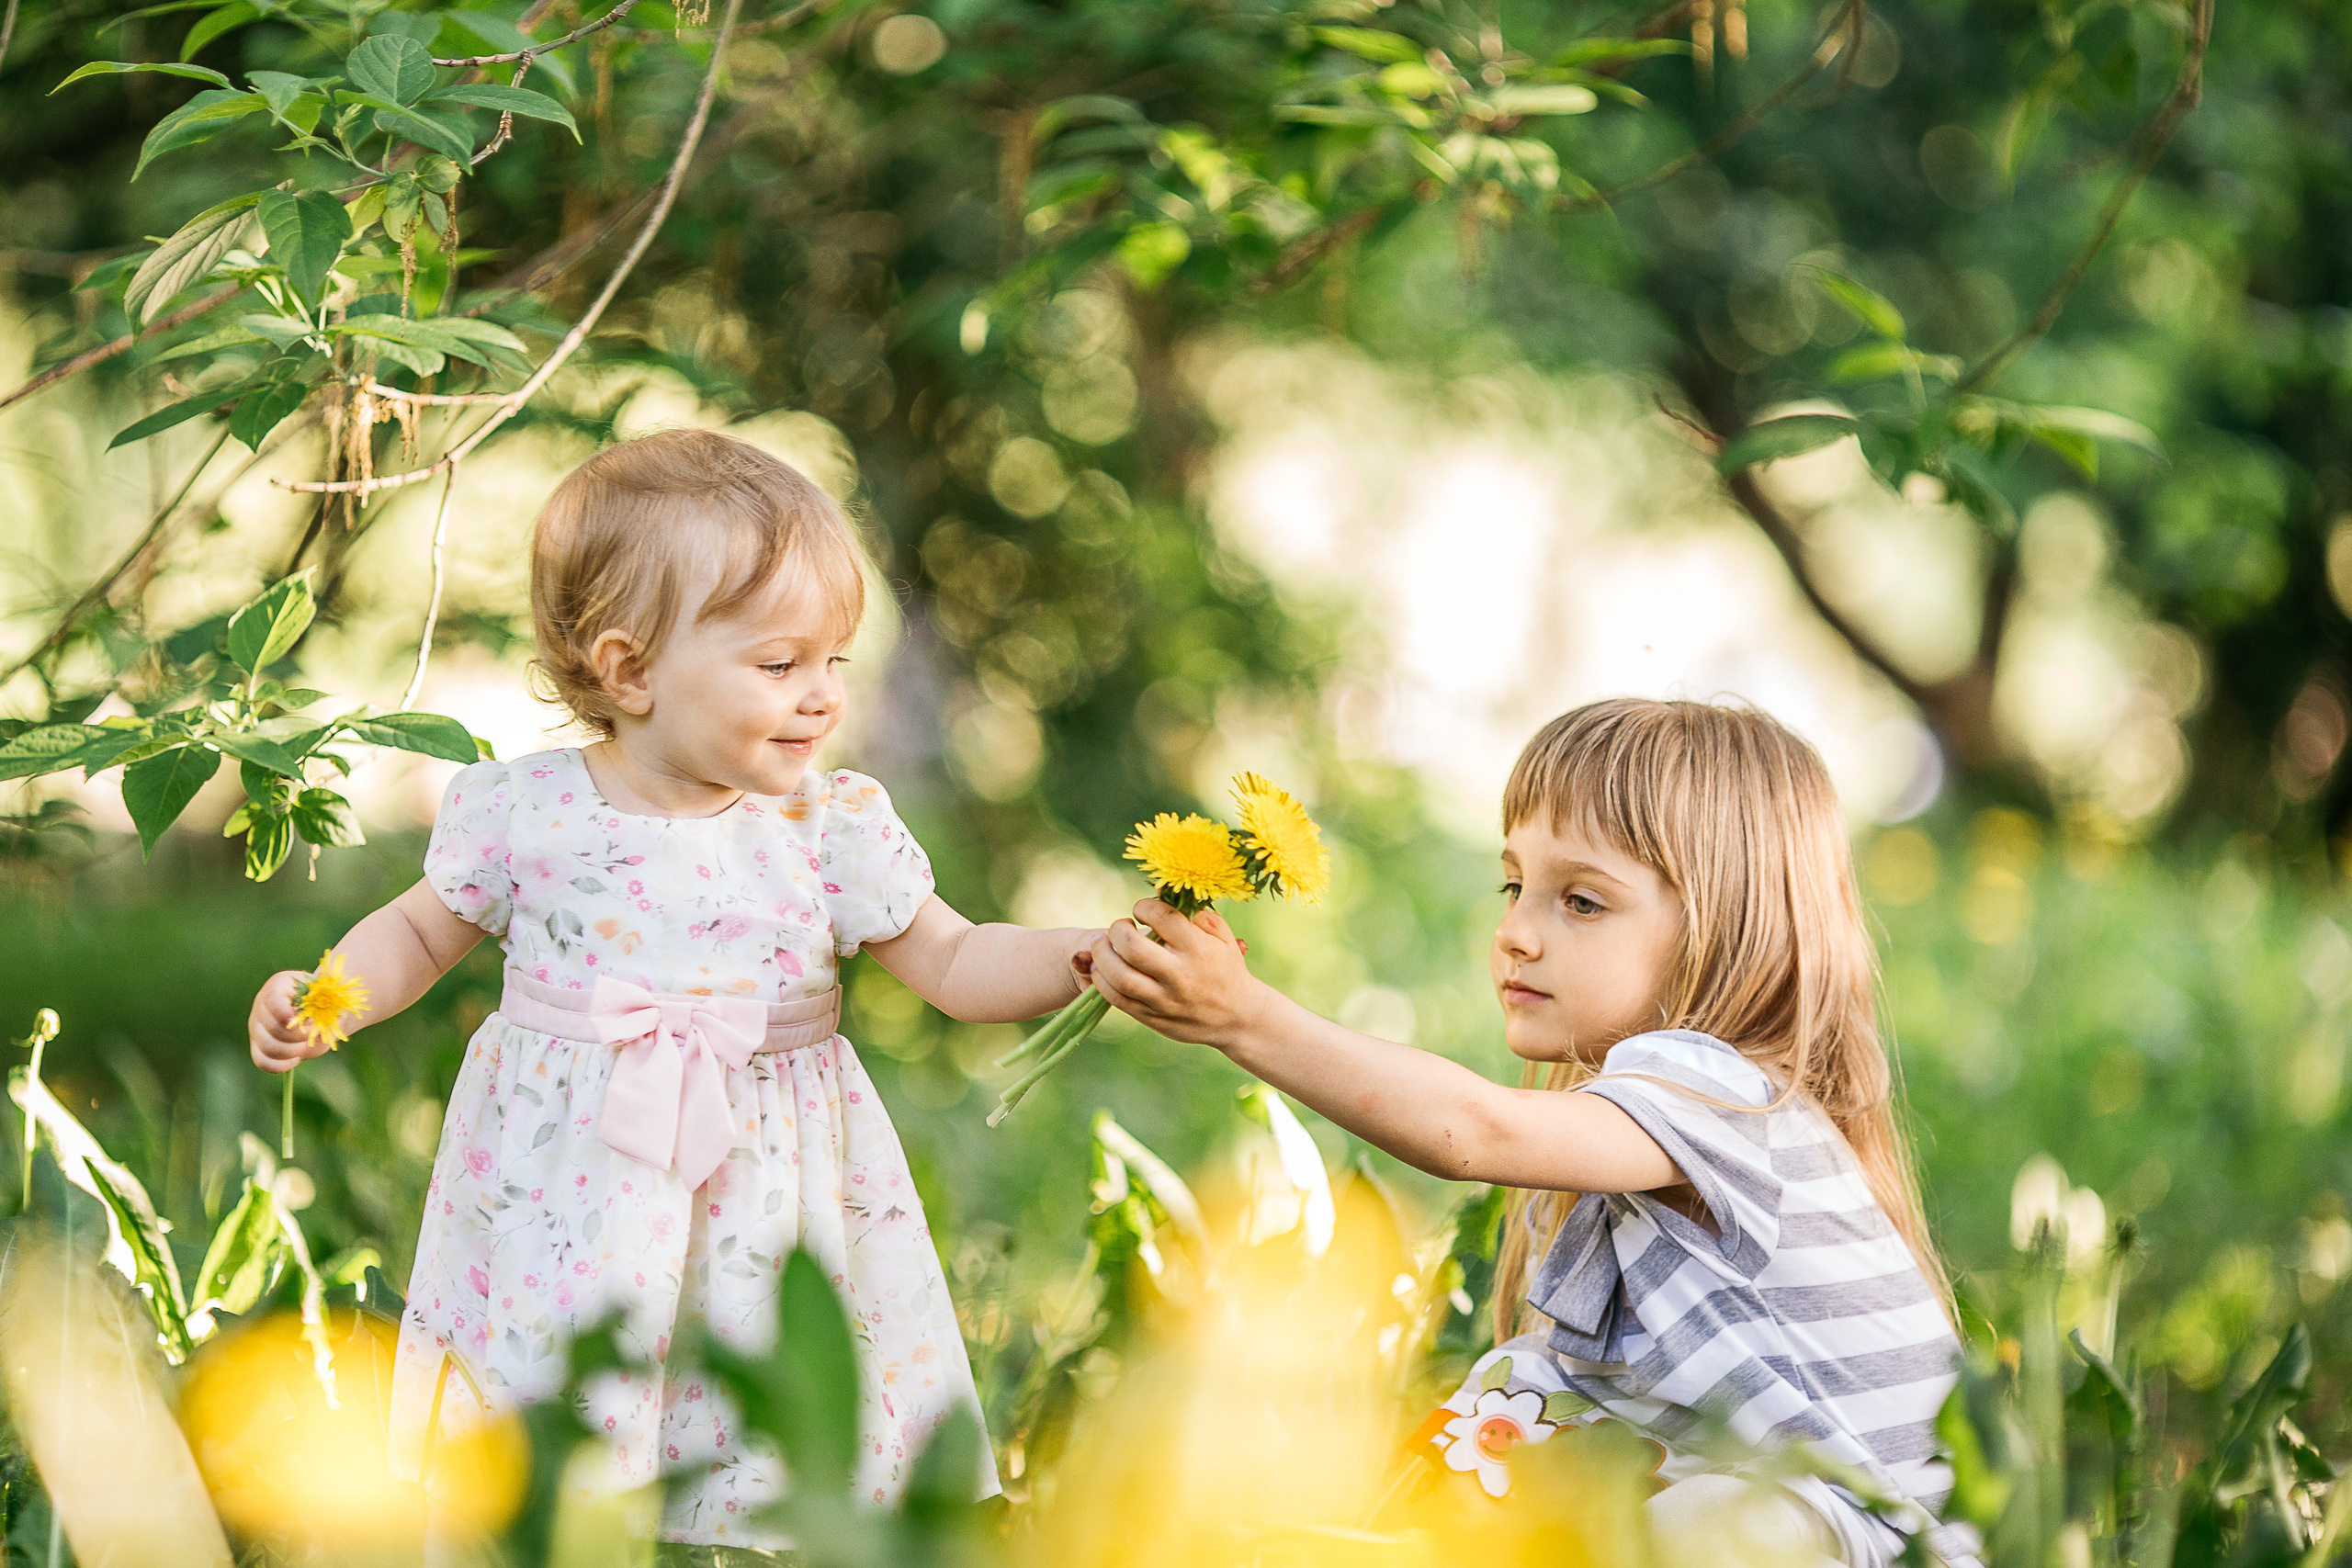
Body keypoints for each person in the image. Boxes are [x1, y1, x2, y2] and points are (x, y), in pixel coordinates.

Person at [245, 429, 1098, 1549]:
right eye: (779, 664)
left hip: (769, 1179)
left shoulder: (829, 827)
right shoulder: (525, 812)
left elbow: (956, 960)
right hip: (572, 1178)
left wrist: (1087, 958)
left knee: (762, 1381)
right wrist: (333, 994)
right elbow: (418, 929)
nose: (820, 699)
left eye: (835, 662)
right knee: (565, 1393)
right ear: (631, 668)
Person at [1080, 697, 1975, 1568]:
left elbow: (1474, 1129)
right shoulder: (1660, 1112)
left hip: (1868, 1538)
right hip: (1769, 1504)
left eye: (1580, 901)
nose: (1513, 933)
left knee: (1713, 1522)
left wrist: (1245, 1018)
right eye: (1515, 885)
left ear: (1723, 927)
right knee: (1507, 1428)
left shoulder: (1723, 1091)